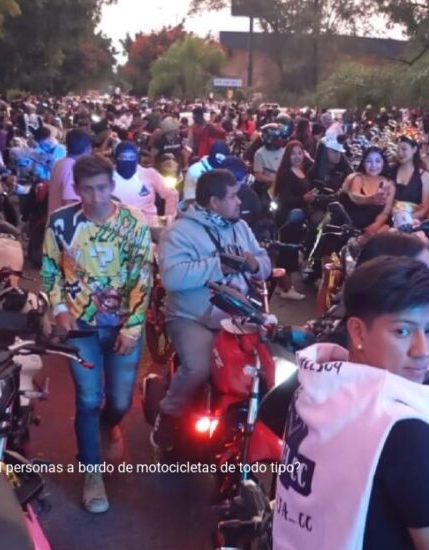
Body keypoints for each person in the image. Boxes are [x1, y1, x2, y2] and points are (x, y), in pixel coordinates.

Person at [272, 256, 429, 550]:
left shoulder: (315, 381)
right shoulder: (406, 434)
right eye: (402, 331)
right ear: (358, 331)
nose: (422, 350)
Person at [41, 154, 152, 514]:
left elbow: (143, 275)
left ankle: (109, 425)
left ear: (112, 185)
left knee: (120, 401)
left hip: (123, 325)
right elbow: (50, 269)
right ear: (76, 189)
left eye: (102, 188)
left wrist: (133, 327)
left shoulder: (133, 221)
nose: (96, 197)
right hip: (81, 328)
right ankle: (91, 473)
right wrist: (59, 309)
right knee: (88, 400)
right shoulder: (61, 222)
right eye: (87, 189)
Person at [151, 169, 271, 451]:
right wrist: (218, 266)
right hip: (193, 317)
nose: (240, 202)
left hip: (239, 316)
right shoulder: (179, 232)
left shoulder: (240, 228)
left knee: (266, 365)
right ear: (214, 202)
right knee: (199, 366)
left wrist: (255, 264)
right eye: (233, 197)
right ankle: (168, 414)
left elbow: (264, 263)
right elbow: (172, 277)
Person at [273, 140, 316, 300]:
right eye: (293, 154)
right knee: (288, 253)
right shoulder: (286, 173)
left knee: (290, 251)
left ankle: (280, 285)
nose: (297, 157)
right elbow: (285, 199)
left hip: (298, 219)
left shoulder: (301, 170)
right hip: (288, 219)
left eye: (300, 153)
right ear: (287, 156)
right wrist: (304, 198)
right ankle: (287, 288)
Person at [111, 141, 178, 225]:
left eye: (131, 157)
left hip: (148, 225)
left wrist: (168, 220)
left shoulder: (149, 174)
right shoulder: (106, 176)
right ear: (116, 158)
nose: (127, 161)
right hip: (116, 227)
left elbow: (171, 194)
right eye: (123, 157)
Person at [339, 147, 395, 234]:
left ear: (383, 163)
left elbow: (385, 212)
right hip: (350, 226)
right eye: (369, 161)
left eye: (377, 161)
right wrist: (370, 199)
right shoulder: (357, 178)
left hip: (373, 228)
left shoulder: (389, 183)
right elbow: (355, 197)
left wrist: (376, 224)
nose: (373, 165)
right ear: (363, 163)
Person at [48, 128, 93, 215]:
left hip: (56, 219)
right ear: (88, 148)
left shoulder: (60, 163)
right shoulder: (72, 168)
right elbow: (71, 203)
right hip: (65, 221)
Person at [390, 136, 429, 221]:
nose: (400, 153)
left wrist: (404, 219)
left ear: (414, 149)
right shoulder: (390, 172)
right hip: (389, 219)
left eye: (404, 149)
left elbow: (425, 209)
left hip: (412, 221)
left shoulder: (424, 176)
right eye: (397, 150)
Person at [253, 123, 289, 198]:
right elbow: (258, 176)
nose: (280, 141)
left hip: (283, 186)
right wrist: (273, 179)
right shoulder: (260, 153)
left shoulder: (284, 150)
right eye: (277, 139)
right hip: (267, 189)